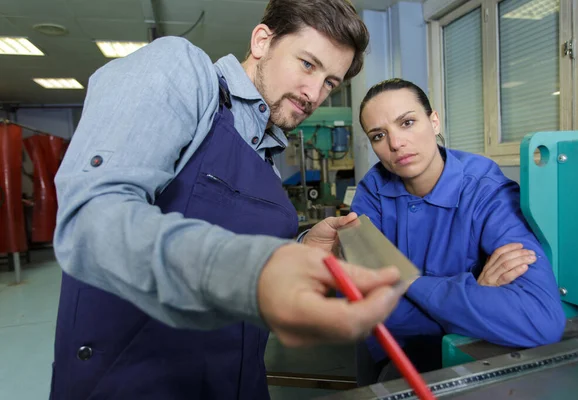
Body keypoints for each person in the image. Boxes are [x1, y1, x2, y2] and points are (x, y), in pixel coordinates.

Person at [49, 2, 407, 399]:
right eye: (308, 64)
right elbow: (91, 221)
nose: (313, 94)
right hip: (135, 381)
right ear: (262, 41)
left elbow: (225, 235)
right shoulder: (182, 72)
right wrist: (256, 275)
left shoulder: (267, 156)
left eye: (329, 83)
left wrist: (303, 248)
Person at [351, 78, 566, 384]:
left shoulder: (486, 192)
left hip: (476, 363)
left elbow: (539, 320)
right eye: (378, 135)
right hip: (393, 357)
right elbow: (364, 307)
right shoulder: (372, 192)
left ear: (434, 121)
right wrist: (473, 293)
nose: (395, 143)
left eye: (408, 122)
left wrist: (409, 284)